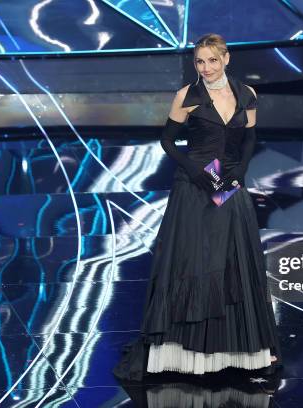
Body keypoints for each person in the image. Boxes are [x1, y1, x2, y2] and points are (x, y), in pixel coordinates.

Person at [113, 33, 282, 381]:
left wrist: (241, 170)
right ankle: (184, 353)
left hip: (230, 185)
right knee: (194, 262)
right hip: (194, 188)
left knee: (233, 263)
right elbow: (167, 140)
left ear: (226, 59)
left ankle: (238, 352)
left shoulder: (246, 95)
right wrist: (194, 170)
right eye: (200, 62)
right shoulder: (187, 96)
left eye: (212, 60)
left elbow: (249, 136)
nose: (206, 68)